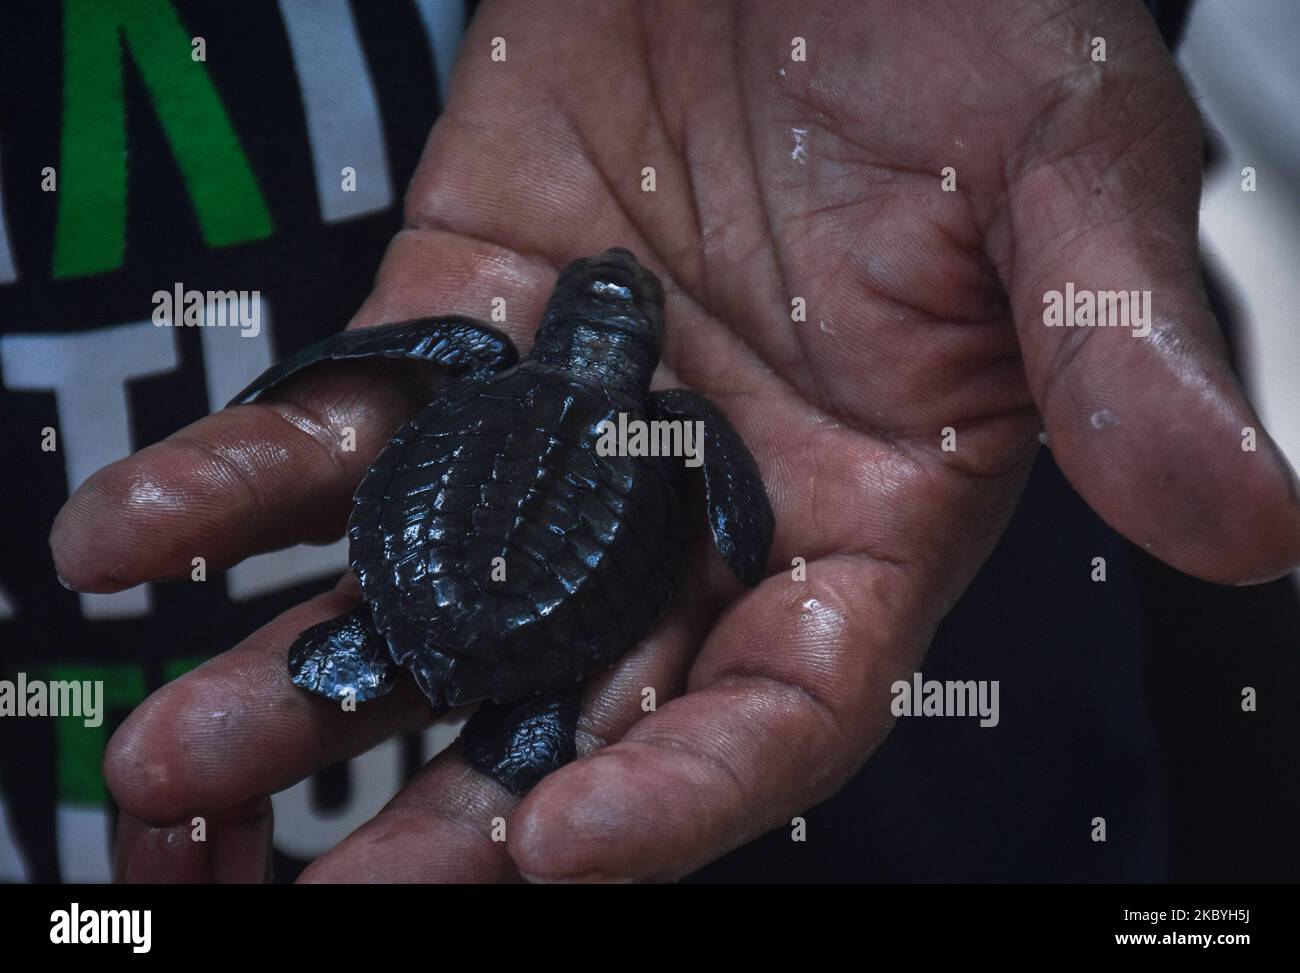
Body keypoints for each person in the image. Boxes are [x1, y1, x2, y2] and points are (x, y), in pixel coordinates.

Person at [7, 0, 1296, 882]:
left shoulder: (483, 360)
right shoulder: (676, 429)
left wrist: (294, 376)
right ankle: (519, 708)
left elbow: (381, 358)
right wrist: (741, 544)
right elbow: (731, 516)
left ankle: (458, 684)